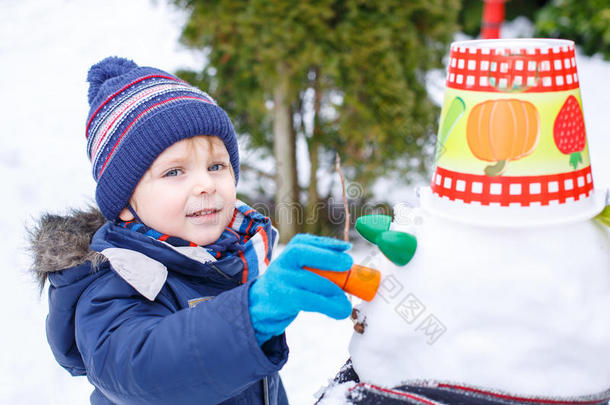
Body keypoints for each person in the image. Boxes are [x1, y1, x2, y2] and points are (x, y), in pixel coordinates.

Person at [28, 56, 353, 405]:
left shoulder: (228, 259)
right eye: (174, 172)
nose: (205, 184)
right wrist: (251, 313)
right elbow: (142, 370)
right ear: (125, 202)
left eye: (216, 166)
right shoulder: (111, 283)